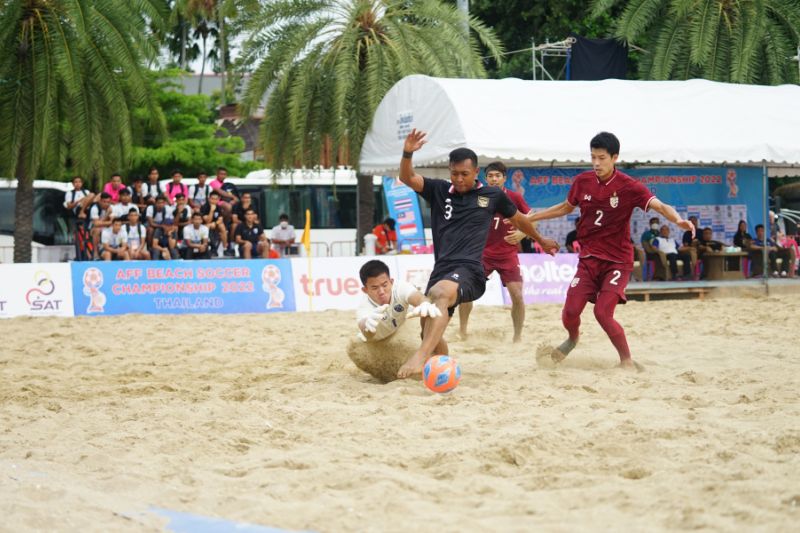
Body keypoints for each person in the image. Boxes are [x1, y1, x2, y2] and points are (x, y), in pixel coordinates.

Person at [514, 131, 694, 370]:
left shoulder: (629, 186)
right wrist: (533, 218)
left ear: (614, 157)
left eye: (601, 158)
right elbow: (566, 207)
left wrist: (678, 220)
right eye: (593, 157)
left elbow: (660, 206)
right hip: (588, 259)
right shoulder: (583, 181)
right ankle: (573, 338)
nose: (596, 163)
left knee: (602, 313)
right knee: (570, 312)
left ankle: (627, 361)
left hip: (617, 262)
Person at [395, 129, 559, 379]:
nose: (459, 179)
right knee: (427, 328)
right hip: (442, 270)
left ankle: (420, 356)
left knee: (440, 295)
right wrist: (408, 152)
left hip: (472, 269)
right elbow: (407, 177)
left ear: (475, 172)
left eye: (464, 174)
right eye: (454, 173)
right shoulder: (438, 190)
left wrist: (541, 240)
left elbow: (520, 219)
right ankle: (444, 370)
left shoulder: (492, 195)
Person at [458, 161, 531, 343]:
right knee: (467, 291)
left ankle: (517, 336)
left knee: (517, 296)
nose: (494, 179)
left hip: (508, 255)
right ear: (486, 178)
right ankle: (463, 331)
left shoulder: (514, 197)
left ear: (504, 179)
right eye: (490, 176)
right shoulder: (478, 196)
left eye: (497, 176)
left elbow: (533, 219)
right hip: (482, 254)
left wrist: (522, 233)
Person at [357, 260, 441, 342]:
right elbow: (365, 329)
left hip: (401, 325)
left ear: (391, 282)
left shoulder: (400, 287)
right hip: (377, 341)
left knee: (430, 311)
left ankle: (442, 356)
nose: (381, 291)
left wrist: (425, 303)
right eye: (375, 288)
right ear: (365, 290)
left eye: (385, 285)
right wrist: (367, 327)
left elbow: (418, 297)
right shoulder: (364, 306)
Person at [200, 191, 233, 257]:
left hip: (215, 224)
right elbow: (207, 221)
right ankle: (213, 248)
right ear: (209, 199)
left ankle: (225, 248)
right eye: (212, 199)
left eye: (216, 199)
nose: (214, 201)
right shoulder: (204, 207)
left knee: (222, 226)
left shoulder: (218, 207)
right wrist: (212, 210)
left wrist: (215, 223)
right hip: (204, 226)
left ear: (218, 200)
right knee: (207, 227)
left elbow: (220, 219)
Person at [641, 215, 669, 280]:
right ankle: (658, 277)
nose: (655, 224)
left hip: (662, 252)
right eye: (653, 223)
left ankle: (667, 275)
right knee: (658, 257)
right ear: (650, 224)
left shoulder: (660, 233)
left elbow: (665, 243)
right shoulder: (646, 234)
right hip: (651, 253)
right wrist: (654, 251)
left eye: (657, 223)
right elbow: (645, 246)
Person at [88, 192, 114, 259]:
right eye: (104, 202)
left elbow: (113, 221)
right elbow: (96, 223)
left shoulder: (111, 208)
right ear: (100, 201)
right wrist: (107, 215)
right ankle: (95, 252)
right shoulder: (95, 208)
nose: (106, 204)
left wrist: (109, 222)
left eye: (108, 202)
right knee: (97, 230)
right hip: (93, 229)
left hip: (107, 228)